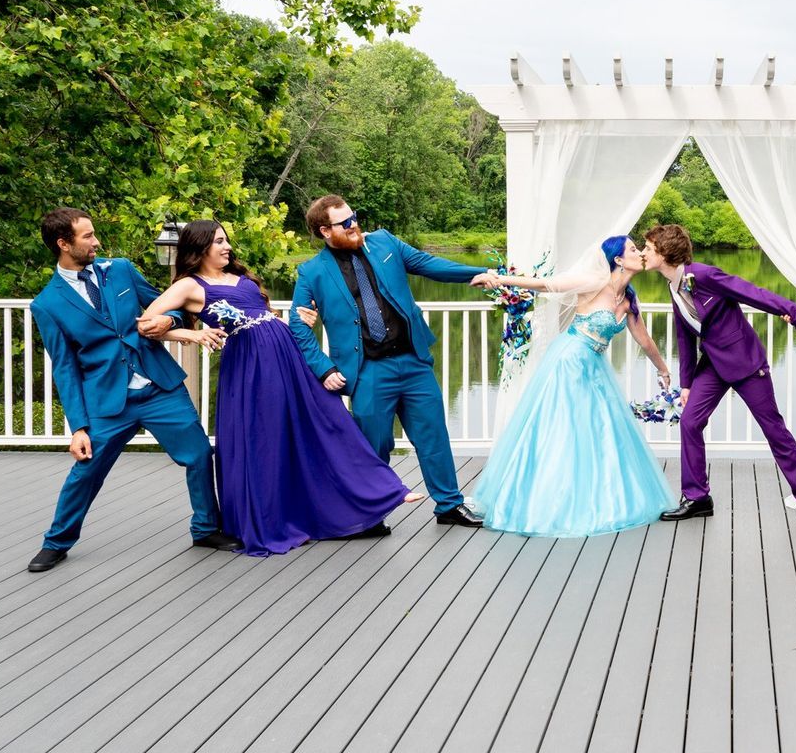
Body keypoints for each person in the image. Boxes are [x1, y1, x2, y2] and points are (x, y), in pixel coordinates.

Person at [136, 221, 421, 557]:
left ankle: (382, 491)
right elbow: (144, 324)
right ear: (199, 248)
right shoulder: (188, 286)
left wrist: (302, 318)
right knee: (265, 439)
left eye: (227, 240)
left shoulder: (241, 277)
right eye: (218, 242)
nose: (227, 247)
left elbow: (265, 315)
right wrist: (192, 335)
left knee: (327, 418)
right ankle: (273, 519)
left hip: (285, 353)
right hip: (251, 367)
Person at [25, 208, 231, 573]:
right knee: (86, 473)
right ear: (63, 244)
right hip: (107, 401)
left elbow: (173, 309)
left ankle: (205, 529)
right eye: (87, 236)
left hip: (159, 388)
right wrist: (78, 427)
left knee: (199, 455)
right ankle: (56, 542)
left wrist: (170, 320)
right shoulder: (47, 304)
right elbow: (65, 367)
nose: (96, 241)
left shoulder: (119, 270)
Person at [286, 195, 500, 528]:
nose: (354, 224)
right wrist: (323, 368)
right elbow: (298, 325)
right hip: (368, 370)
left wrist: (481, 273)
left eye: (354, 217)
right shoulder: (312, 272)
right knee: (374, 443)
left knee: (433, 435)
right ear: (325, 231)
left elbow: (430, 265)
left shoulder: (384, 242)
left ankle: (448, 505)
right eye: (345, 223)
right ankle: (371, 513)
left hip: (412, 362)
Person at [469, 236, 677, 535]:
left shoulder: (629, 299)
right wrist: (498, 278)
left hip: (594, 366)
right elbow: (546, 285)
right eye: (633, 249)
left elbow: (643, 338)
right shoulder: (595, 281)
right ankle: (548, 502)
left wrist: (664, 368)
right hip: (568, 361)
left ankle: (599, 499)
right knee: (562, 429)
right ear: (618, 259)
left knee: (598, 432)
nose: (640, 254)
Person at [639, 223, 796, 526]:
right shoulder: (672, 284)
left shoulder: (704, 275)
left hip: (746, 363)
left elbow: (754, 293)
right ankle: (697, 497)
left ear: (664, 251)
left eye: (648, 247)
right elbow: (685, 336)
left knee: (773, 428)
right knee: (690, 421)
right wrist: (686, 384)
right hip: (712, 364)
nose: (644, 252)